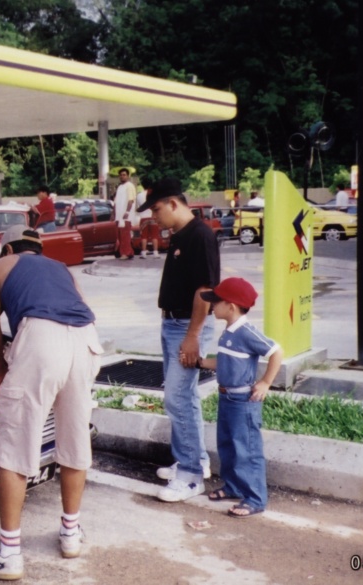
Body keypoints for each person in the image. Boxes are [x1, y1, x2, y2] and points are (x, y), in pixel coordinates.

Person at [0, 225, 103, 581]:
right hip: (85, 340)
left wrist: (0, 368)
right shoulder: (60, 268)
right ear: (38, 249)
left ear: (7, 248)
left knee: (16, 446)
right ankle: (71, 534)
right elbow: (84, 308)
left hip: (41, 339)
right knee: (74, 438)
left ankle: (7, 554)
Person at [137, 178, 219, 502]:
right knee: (185, 397)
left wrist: (193, 336)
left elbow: (205, 290)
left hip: (188, 326)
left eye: (156, 209)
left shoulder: (200, 235)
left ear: (173, 203)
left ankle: (190, 477)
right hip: (173, 324)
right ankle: (194, 460)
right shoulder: (179, 236)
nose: (154, 217)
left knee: (177, 398)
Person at [198, 277, 283, 518]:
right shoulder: (228, 332)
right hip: (226, 398)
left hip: (243, 401)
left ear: (231, 306)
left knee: (246, 449)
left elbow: (276, 352)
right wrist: (200, 363)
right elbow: (224, 362)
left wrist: (265, 382)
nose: (212, 306)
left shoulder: (246, 332)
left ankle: (255, 498)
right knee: (227, 445)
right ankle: (234, 486)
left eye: (216, 302)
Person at [113, 168, 137, 259]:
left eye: (124, 175)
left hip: (126, 216)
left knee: (125, 235)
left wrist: (127, 212)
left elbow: (131, 200)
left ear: (128, 176)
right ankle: (128, 252)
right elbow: (116, 202)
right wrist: (113, 213)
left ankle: (125, 253)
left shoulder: (129, 186)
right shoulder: (120, 187)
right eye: (121, 175)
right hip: (119, 216)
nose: (122, 176)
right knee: (120, 235)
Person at [133, 178, 160, 258]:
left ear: (142, 185)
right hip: (153, 217)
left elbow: (138, 207)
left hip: (143, 217)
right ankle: (156, 253)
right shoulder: (154, 194)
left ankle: (144, 253)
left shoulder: (139, 196)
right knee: (155, 236)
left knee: (143, 236)